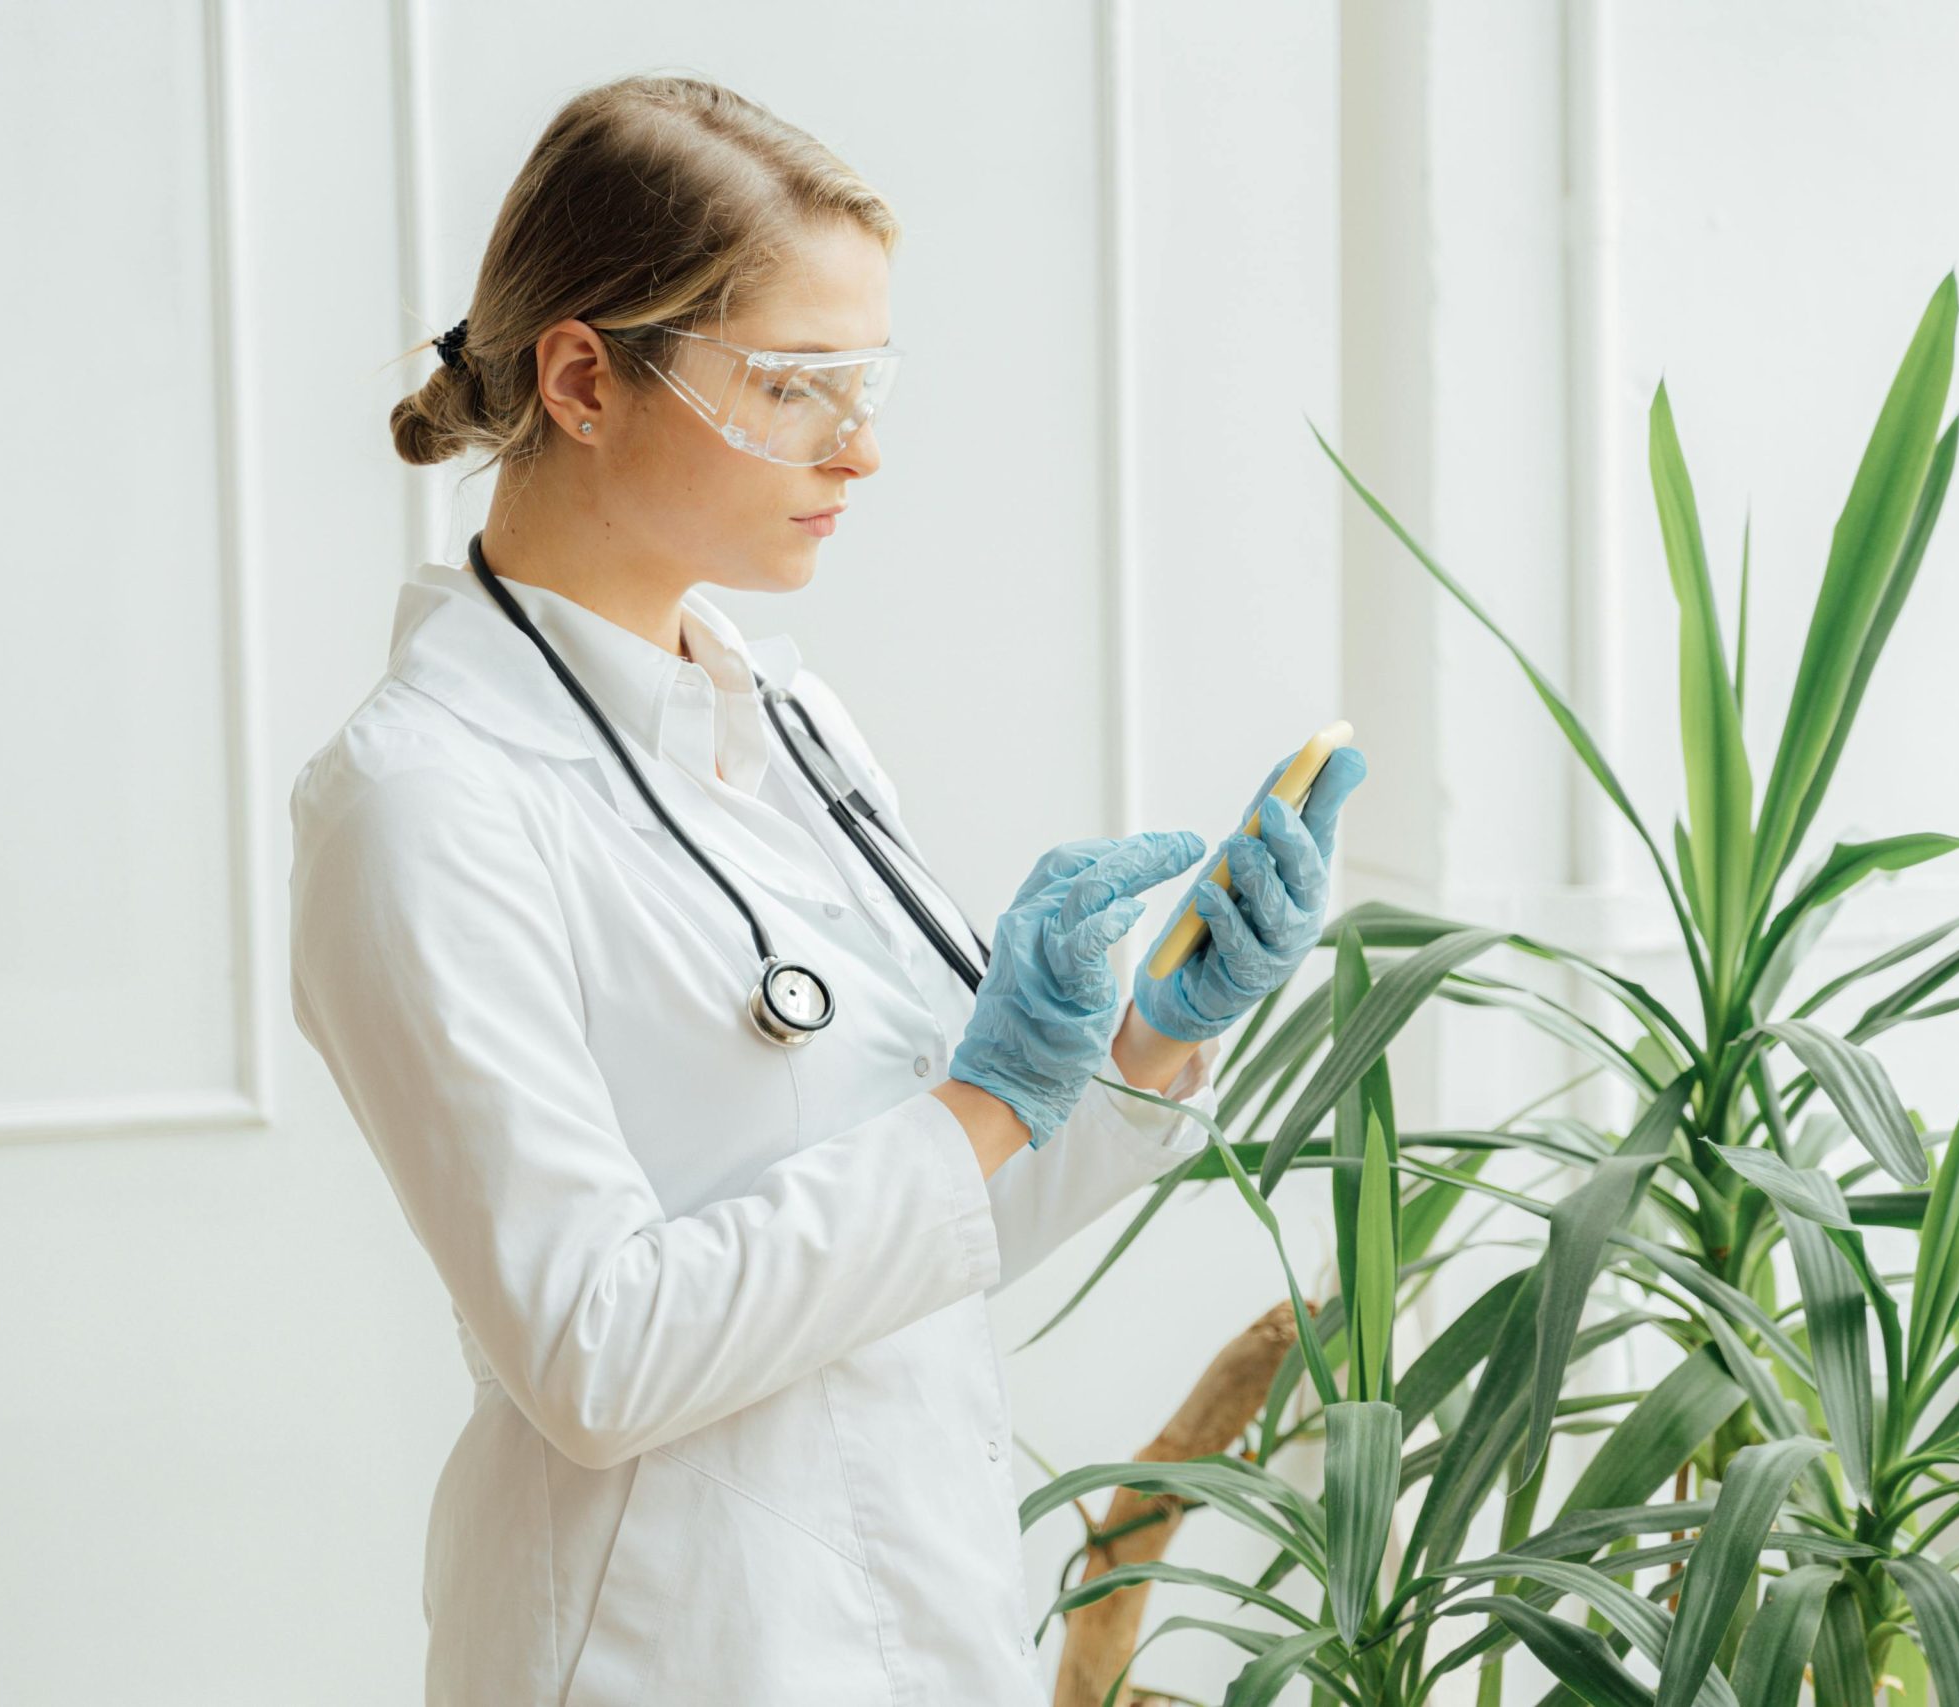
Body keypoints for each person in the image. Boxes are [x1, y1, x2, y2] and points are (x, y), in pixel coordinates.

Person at [286, 72, 1367, 1707]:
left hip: (916, 1614)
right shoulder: (422, 803)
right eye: (797, 386)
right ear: (585, 376)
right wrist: (993, 1097)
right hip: (664, 1650)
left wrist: (1145, 1044)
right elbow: (596, 1350)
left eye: (864, 382)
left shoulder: (785, 722)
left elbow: (932, 1228)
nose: (860, 449)